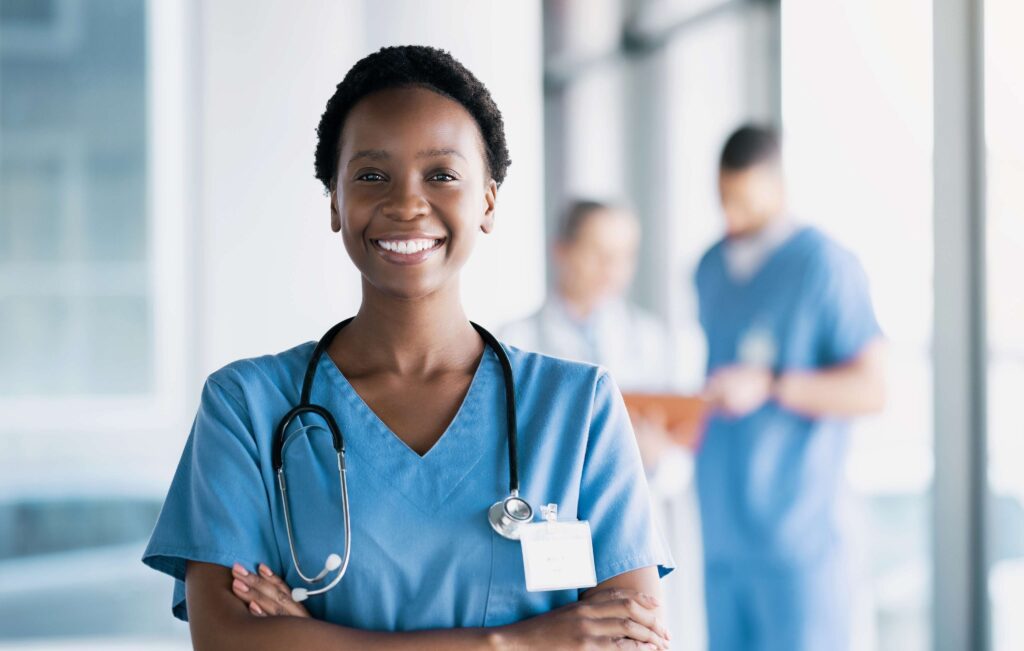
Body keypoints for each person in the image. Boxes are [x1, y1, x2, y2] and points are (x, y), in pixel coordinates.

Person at [142, 46, 673, 650]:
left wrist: (313, 639)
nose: (405, 203)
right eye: (371, 176)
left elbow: (633, 640)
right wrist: (520, 642)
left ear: (489, 202)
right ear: (336, 202)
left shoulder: (578, 409)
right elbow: (229, 642)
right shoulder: (246, 406)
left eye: (442, 175)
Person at [694, 125, 887, 651]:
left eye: (746, 202)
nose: (732, 217)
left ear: (779, 190)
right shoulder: (710, 268)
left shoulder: (825, 267)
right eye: (724, 200)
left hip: (798, 540)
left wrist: (772, 386)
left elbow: (873, 390)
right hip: (723, 534)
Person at [502, 200, 706, 649]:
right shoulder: (512, 343)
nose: (612, 269)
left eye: (623, 255)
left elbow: (683, 459)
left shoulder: (655, 343)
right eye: (598, 252)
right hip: (548, 533)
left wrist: (652, 458)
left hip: (632, 536)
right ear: (561, 251)